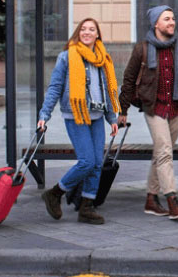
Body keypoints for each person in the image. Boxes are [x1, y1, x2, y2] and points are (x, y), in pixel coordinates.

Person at [118, 5, 178, 220]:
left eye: (173, 18)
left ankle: (151, 199)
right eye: (166, 19)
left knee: (161, 153)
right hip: (153, 107)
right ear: (156, 23)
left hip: (176, 107)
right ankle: (172, 200)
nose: (172, 22)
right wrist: (123, 109)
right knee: (164, 152)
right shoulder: (142, 49)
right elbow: (128, 79)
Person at [37, 18, 121, 225]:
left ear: (97, 35)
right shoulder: (66, 57)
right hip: (75, 116)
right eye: (83, 29)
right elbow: (55, 87)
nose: (87, 32)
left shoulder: (103, 59)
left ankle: (86, 207)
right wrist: (44, 115)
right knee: (87, 162)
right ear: (77, 33)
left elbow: (108, 92)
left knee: (97, 164)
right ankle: (55, 193)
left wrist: (112, 118)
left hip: (97, 118)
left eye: (91, 29)